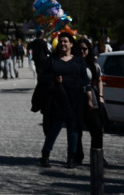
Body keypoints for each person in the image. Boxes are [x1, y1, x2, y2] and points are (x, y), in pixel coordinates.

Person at [35, 32, 90, 168]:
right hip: (57, 99)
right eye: (60, 41)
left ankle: (71, 157)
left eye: (65, 41)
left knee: (73, 129)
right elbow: (42, 78)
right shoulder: (52, 60)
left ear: (71, 44)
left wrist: (89, 99)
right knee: (54, 129)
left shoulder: (79, 61)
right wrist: (53, 80)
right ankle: (45, 155)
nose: (63, 44)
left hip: (75, 99)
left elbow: (84, 80)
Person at [76, 37, 103, 160]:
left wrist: (101, 96)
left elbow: (99, 80)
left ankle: (97, 156)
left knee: (97, 129)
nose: (82, 51)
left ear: (89, 50)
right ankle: (78, 155)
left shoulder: (94, 65)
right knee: (77, 130)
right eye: (80, 49)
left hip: (92, 98)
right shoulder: (74, 63)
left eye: (84, 49)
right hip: (77, 98)